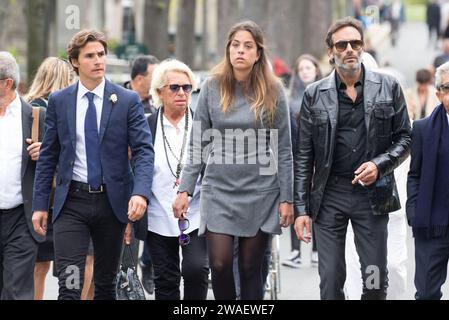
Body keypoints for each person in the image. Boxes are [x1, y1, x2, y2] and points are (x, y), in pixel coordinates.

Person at [172, 20, 294, 300]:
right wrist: (185, 190)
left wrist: (287, 199)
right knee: (220, 263)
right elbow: (199, 143)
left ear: (258, 53)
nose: (240, 51)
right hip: (219, 190)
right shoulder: (212, 87)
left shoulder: (273, 90)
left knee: (251, 267)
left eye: (247, 46)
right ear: (228, 49)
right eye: (235, 45)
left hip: (260, 191)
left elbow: (284, 150)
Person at [294, 17, 411, 300]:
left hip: (373, 194)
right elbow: (303, 155)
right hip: (329, 195)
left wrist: (379, 165)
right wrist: (301, 209)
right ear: (331, 51)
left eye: (355, 43)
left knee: (373, 278)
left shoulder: (389, 87)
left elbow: (406, 138)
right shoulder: (314, 94)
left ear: (363, 47)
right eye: (342, 44)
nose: (349, 49)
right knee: (331, 280)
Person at [32, 29, 154, 300]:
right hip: (72, 204)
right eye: (90, 56)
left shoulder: (126, 101)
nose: (98, 60)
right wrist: (40, 205)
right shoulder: (60, 101)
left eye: (101, 54)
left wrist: (140, 193)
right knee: (71, 285)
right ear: (75, 62)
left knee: (105, 285)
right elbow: (49, 155)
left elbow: (145, 151)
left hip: (112, 205)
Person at [134, 59, 209, 300]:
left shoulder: (203, 125)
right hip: (158, 215)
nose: (181, 93)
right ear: (159, 92)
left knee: (197, 270)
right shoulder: (146, 126)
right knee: (165, 279)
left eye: (187, 88)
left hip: (195, 213)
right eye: (174, 87)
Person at [24, 57, 95, 300]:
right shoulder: (38, 112)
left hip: (40, 201)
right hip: (64, 199)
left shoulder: (25, 110)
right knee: (80, 263)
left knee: (39, 266)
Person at [344, 52, 409, 300]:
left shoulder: (390, 104)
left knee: (392, 269)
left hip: (389, 206)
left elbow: (404, 145)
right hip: (352, 206)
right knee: (358, 272)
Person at [0, 51, 45, 299]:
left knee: (17, 291)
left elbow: (61, 165)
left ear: (7, 83)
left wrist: (45, 154)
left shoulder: (36, 117)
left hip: (21, 218)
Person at [407, 61, 449, 300]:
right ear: (438, 93)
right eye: (448, 87)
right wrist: (414, 212)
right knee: (426, 294)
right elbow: (415, 175)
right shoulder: (422, 129)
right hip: (432, 225)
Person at [123, 55, 160, 295]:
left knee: (157, 225)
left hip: (152, 177)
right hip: (126, 179)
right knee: (126, 247)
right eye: (154, 76)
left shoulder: (157, 105)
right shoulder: (120, 101)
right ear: (138, 79)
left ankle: (149, 264)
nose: (160, 81)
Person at [282, 54, 322, 268]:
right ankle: (296, 251)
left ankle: (316, 250)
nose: (305, 71)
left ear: (316, 69)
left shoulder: (326, 94)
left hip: (321, 159)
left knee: (316, 203)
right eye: (301, 68)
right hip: (297, 158)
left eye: (309, 67)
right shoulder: (290, 100)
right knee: (296, 201)